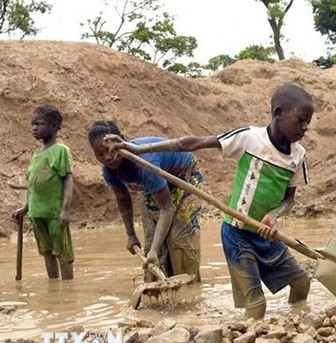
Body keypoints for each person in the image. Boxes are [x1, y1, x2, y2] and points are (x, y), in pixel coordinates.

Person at [108, 83, 313, 320]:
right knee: (257, 306)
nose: (305, 127)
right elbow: (191, 143)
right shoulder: (249, 138)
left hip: (266, 234)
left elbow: (289, 200)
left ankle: (296, 321)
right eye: (301, 120)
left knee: (302, 283)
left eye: (308, 121)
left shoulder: (299, 156)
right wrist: (138, 148)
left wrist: (275, 215)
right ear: (278, 113)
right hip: (237, 235)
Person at [87, 121, 203, 283]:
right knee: (151, 243)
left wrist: (155, 250)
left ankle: (189, 290)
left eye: (110, 150)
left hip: (184, 176)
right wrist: (131, 236)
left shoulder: (145, 162)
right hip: (155, 186)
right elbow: (123, 201)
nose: (107, 157)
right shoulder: (109, 172)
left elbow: (167, 208)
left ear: (121, 141)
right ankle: (159, 286)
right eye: (100, 154)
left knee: (179, 240)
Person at [12, 105, 75, 280]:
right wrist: (25, 208)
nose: (34, 128)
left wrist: (65, 210)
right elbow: (32, 185)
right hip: (37, 213)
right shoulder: (36, 154)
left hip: (54, 214)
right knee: (47, 252)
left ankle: (68, 292)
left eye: (39, 124)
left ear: (54, 126)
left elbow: (68, 180)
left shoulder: (60, 150)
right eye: (33, 124)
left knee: (62, 253)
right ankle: (54, 286)